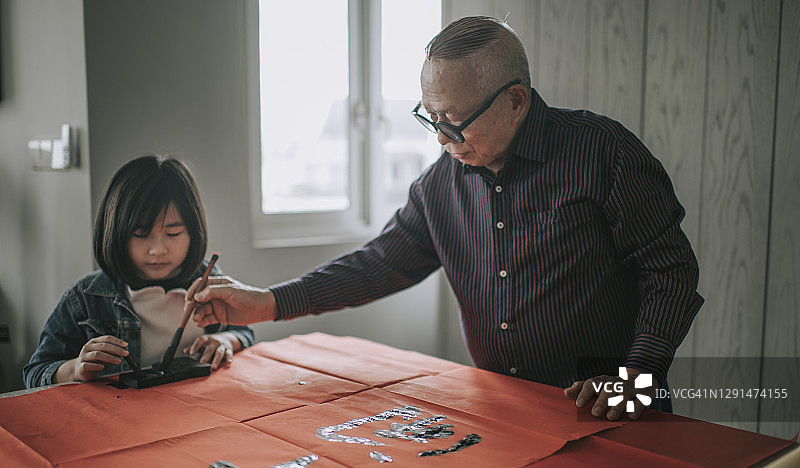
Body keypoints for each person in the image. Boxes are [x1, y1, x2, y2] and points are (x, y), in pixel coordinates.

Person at [190, 16, 703, 420]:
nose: (440, 139)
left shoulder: (602, 153)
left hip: (611, 409)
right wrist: (268, 302)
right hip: (509, 411)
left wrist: (639, 375)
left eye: (453, 123)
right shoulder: (442, 183)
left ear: (515, 101)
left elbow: (672, 273)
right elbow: (378, 264)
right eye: (429, 119)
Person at [23, 156, 254, 388]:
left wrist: (225, 340)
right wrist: (74, 368)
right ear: (115, 232)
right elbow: (35, 373)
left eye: (173, 234)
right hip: (121, 419)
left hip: (200, 414)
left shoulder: (207, 281)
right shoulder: (86, 297)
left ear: (194, 232)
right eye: (141, 234)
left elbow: (243, 332)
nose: (158, 250)